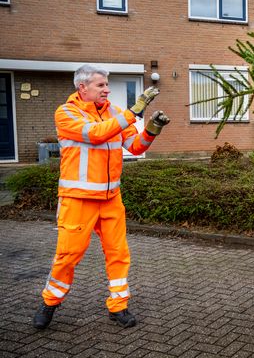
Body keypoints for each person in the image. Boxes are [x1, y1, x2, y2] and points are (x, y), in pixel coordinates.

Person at [33, 64, 170, 329]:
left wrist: (152, 129)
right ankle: (50, 303)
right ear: (82, 87)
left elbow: (134, 145)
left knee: (119, 253)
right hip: (78, 199)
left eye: (107, 85)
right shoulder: (66, 113)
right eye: (101, 85)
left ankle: (118, 306)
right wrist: (133, 113)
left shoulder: (116, 113)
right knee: (68, 254)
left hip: (110, 198)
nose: (106, 89)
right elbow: (95, 135)